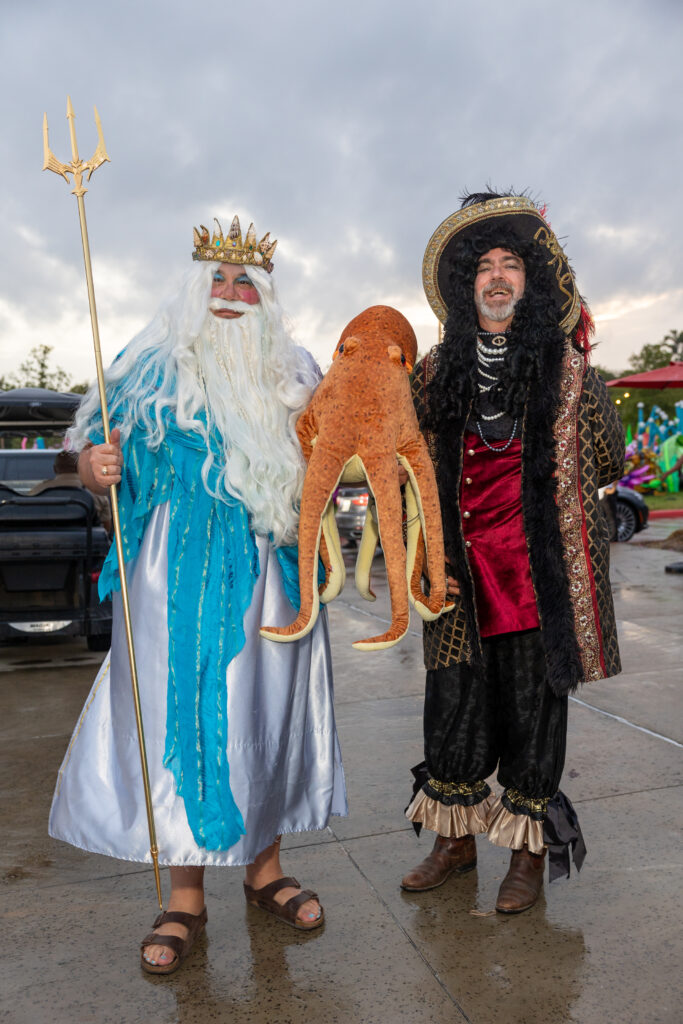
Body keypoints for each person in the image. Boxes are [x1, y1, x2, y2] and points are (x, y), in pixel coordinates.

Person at [49, 216, 347, 972]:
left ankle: (264, 868)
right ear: (191, 289)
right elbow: (85, 453)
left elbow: (336, 458)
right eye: (215, 279)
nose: (229, 293)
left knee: (266, 709)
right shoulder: (146, 368)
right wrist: (97, 467)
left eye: (245, 281)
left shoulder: (294, 369)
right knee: (174, 709)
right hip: (170, 571)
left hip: (268, 565)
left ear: (266, 298)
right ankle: (183, 893)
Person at [401, 191, 624, 912]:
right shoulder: (432, 375)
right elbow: (395, 456)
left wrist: (583, 396)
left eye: (510, 266)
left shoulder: (571, 375)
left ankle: (526, 854)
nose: (496, 278)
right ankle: (454, 841)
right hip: (458, 578)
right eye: (484, 268)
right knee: (453, 711)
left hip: (536, 580)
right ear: (466, 285)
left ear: (531, 283)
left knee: (535, 717)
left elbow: (611, 463)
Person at [29, 449, 112, 532]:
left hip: (46, 542)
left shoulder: (37, 491)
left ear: (55, 469)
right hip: (86, 542)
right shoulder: (96, 492)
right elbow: (106, 528)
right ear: (80, 467)